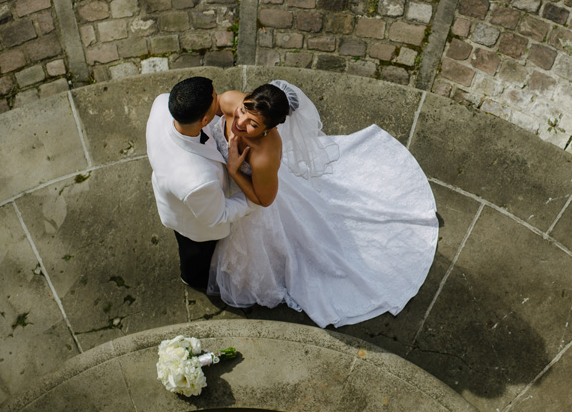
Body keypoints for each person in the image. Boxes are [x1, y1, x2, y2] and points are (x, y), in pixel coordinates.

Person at [207, 80, 439, 328]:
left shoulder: (264, 155)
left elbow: (265, 200)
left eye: (253, 124)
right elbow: (215, 108)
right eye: (243, 112)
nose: (241, 123)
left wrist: (235, 171)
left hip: (254, 196)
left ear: (270, 128)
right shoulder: (233, 100)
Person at [146, 76, 253, 290]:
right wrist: (256, 197)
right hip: (192, 222)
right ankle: (193, 280)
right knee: (195, 257)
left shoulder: (161, 103)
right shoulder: (196, 180)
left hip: (174, 189)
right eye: (215, 98)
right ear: (204, 120)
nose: (219, 99)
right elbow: (218, 215)